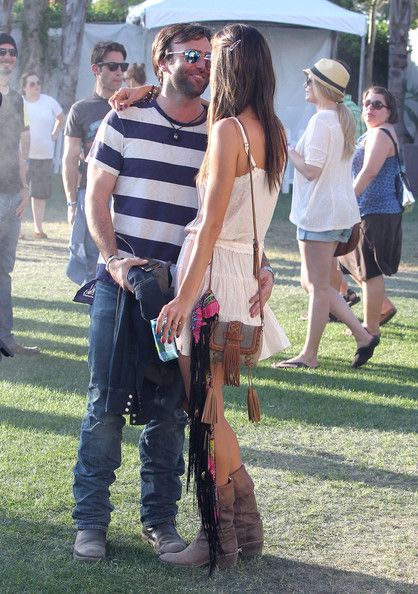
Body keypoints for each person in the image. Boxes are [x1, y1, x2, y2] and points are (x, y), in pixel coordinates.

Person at [150, 23, 289, 572]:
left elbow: (208, 224)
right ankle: (244, 533)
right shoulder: (272, 130)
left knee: (207, 411)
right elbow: (256, 219)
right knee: (211, 408)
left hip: (209, 276)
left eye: (217, 59)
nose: (208, 68)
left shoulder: (229, 129)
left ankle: (218, 536)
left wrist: (183, 299)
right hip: (239, 274)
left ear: (232, 67)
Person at [275, 59, 380, 370]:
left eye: (310, 80)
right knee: (317, 284)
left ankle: (309, 355)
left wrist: (287, 148)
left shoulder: (322, 121)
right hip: (331, 213)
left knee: (318, 286)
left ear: (321, 87)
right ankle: (362, 336)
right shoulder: (334, 119)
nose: (306, 85)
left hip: (321, 214)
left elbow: (311, 170)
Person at [62, 41, 128, 285]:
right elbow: (69, 159)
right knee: (92, 264)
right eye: (112, 66)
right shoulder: (81, 109)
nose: (119, 72)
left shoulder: (131, 106)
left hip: (125, 196)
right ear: (95, 69)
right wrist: (71, 201)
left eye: (123, 66)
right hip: (90, 194)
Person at [338, 87, 403, 336]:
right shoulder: (374, 132)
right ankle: (381, 309)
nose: (369, 109)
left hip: (376, 212)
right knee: (350, 262)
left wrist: (348, 199)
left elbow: (369, 171)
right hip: (369, 210)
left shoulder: (381, 134)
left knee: (370, 272)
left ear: (389, 111)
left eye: (377, 105)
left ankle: (370, 328)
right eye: (367, 103)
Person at [0, 32, 40, 356]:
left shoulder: (16, 99)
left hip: (12, 197)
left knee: (4, 271)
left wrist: (25, 190)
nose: (8, 57)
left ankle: (6, 341)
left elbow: (18, 147)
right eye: (2, 52)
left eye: (12, 52)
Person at [21, 71, 64, 239]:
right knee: (20, 194)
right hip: (23, 156)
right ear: (24, 88)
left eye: (38, 83)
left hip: (44, 156)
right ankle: (19, 230)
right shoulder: (21, 103)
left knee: (39, 194)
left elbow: (61, 119)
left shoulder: (49, 101)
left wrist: (53, 135)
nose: (36, 86)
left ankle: (38, 229)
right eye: (32, 84)